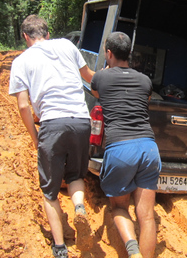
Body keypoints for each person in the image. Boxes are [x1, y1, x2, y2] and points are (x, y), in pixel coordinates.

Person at [9, 15, 95, 258]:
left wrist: (36, 138)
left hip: (52, 125)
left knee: (49, 190)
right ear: (48, 33)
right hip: (81, 121)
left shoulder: (21, 61)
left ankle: (60, 247)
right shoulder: (68, 46)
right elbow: (90, 77)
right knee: (76, 175)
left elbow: (24, 106)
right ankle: (79, 208)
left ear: (26, 37)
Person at [91, 32, 161, 258]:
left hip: (120, 148)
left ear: (109, 53)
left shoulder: (100, 78)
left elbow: (96, 93)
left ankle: (133, 250)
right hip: (149, 148)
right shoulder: (145, 80)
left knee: (119, 207)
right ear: (129, 54)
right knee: (147, 216)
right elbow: (144, 101)